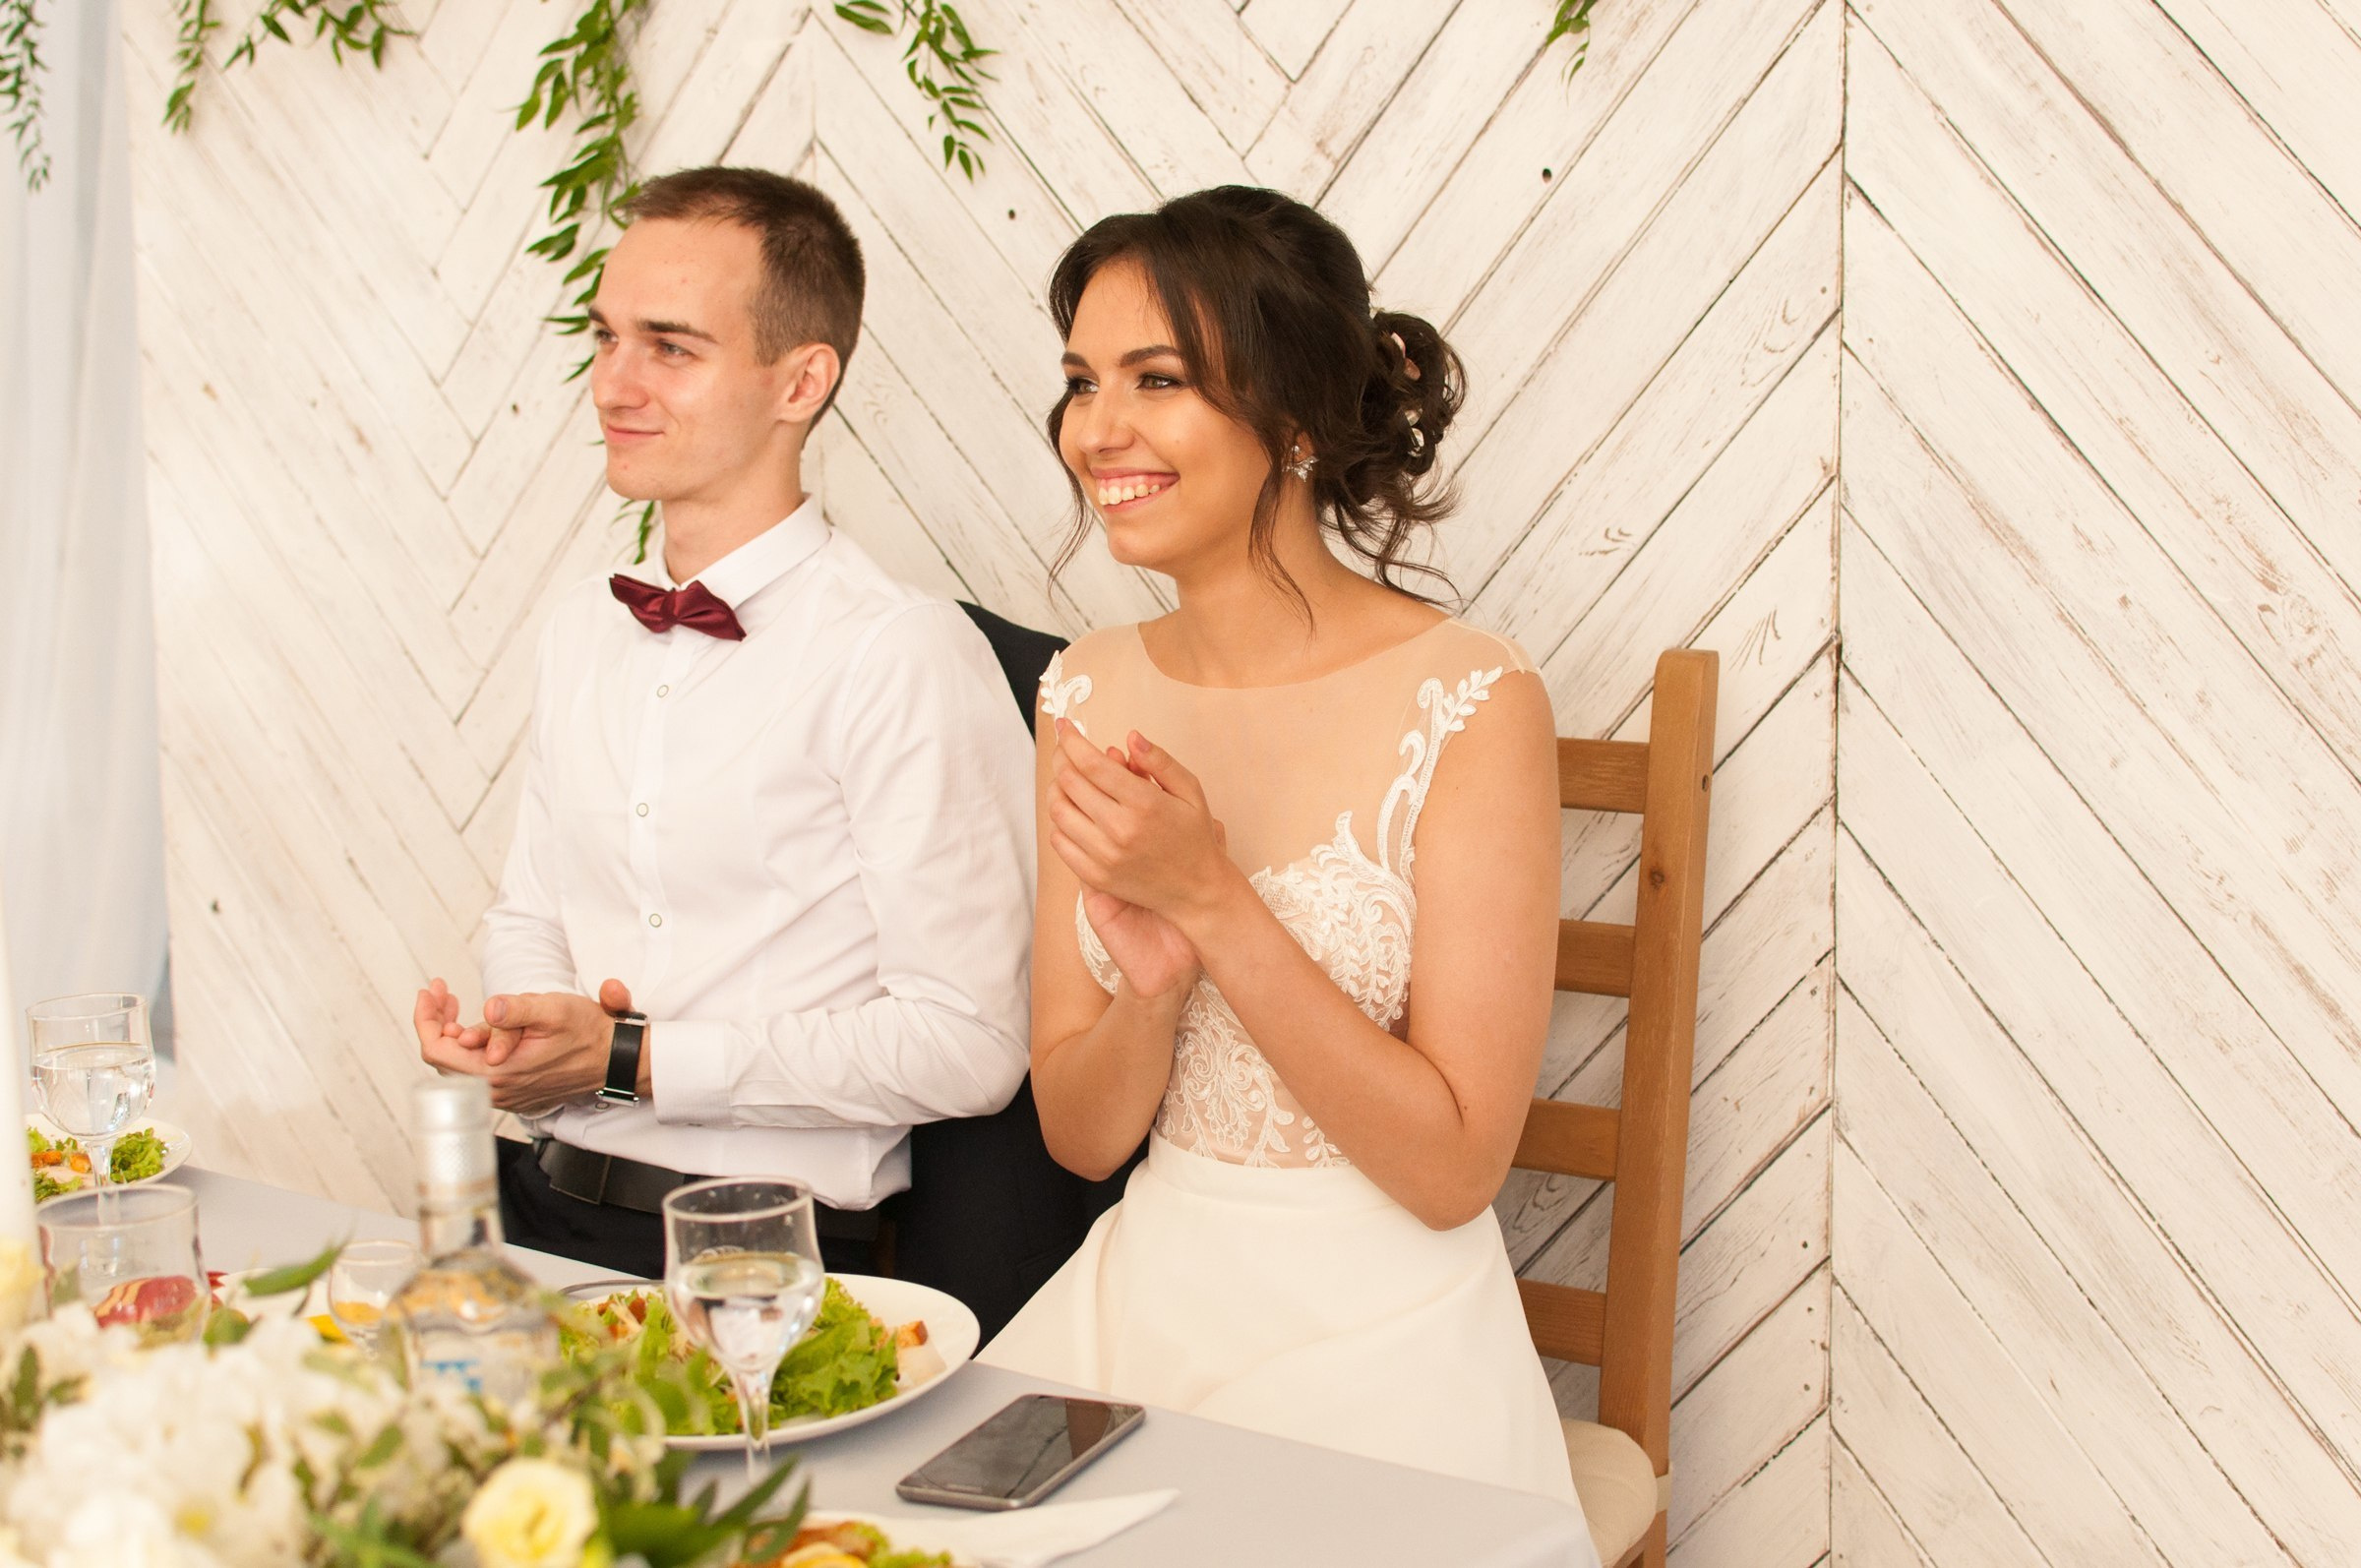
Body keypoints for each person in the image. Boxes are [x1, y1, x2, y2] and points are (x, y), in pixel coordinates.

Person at [981, 185, 1582, 1509]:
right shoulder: (1083, 690)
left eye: (1159, 378)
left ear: (1296, 416)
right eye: (1083, 380)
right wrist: (1154, 984)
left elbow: (1454, 1166)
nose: (1100, 429)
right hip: (1147, 1305)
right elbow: (1083, 1140)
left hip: (1388, 1335)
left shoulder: (1475, 700)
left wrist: (1215, 902)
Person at [410, 166, 1036, 1291]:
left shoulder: (899, 652)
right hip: (532, 1209)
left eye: (671, 346)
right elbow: (529, 909)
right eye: (605, 338)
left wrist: (637, 1062)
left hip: (768, 1265)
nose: (613, 383)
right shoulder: (578, 631)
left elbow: (970, 1043)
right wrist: (521, 1031)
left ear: (801, 379)